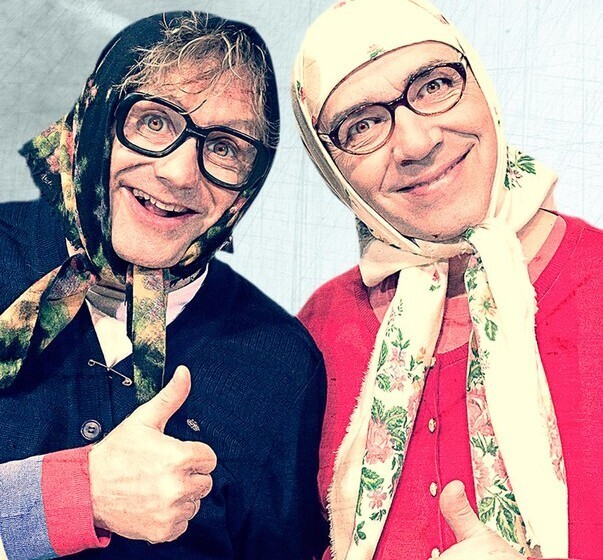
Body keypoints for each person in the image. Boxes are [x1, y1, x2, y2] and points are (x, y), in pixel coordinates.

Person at [0, 11, 327, 559]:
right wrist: (75, 497)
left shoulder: (279, 362)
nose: (178, 173)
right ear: (96, 119)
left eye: (224, 147)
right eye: (154, 121)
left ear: (246, 189)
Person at [292, 0, 602, 559]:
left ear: (481, 86)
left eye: (434, 86)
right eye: (362, 125)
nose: (416, 143)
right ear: (331, 167)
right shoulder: (317, 330)